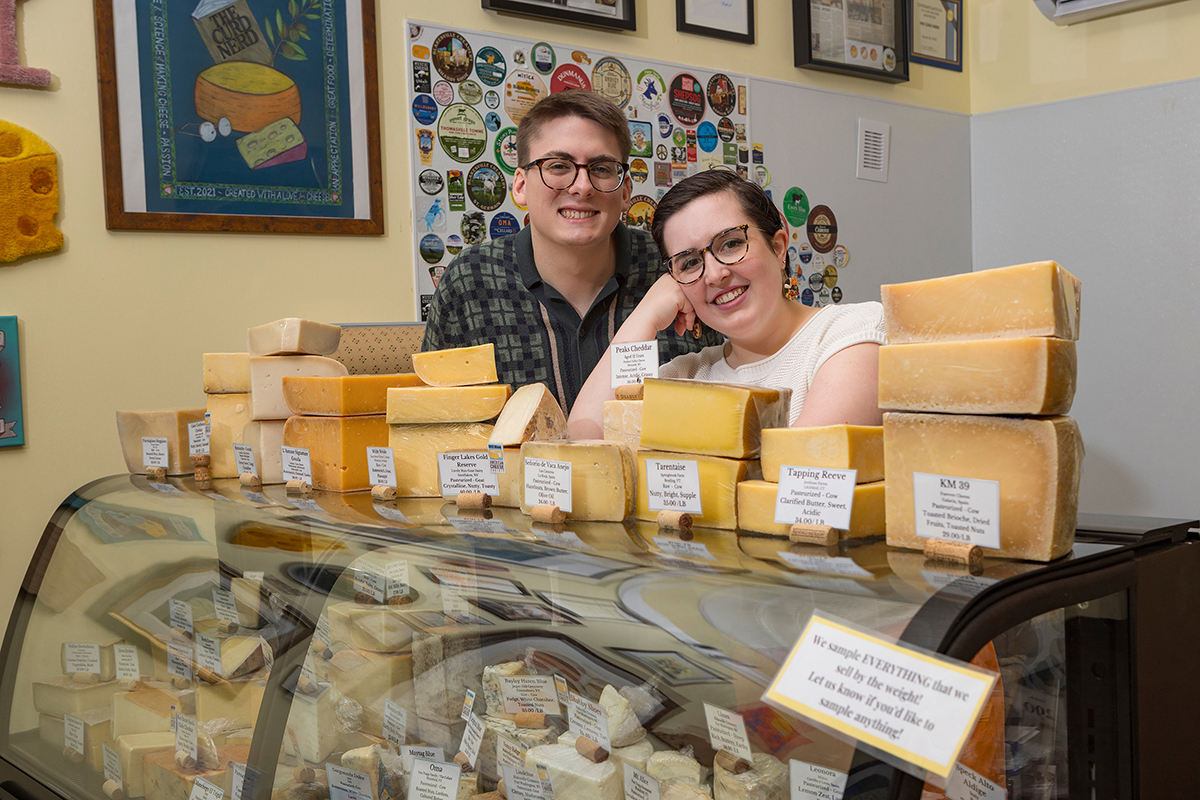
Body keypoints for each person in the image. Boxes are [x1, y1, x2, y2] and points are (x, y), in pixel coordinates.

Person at [421, 90, 722, 413]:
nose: (582, 186)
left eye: (602, 169)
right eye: (558, 166)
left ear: (625, 193)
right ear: (520, 186)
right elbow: (433, 422)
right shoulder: (471, 282)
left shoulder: (679, 267)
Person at [568, 169, 886, 438]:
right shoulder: (686, 375)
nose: (716, 274)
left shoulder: (852, 332)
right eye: (690, 263)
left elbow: (803, 479)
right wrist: (646, 314)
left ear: (778, 248)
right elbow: (584, 445)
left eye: (731, 243)